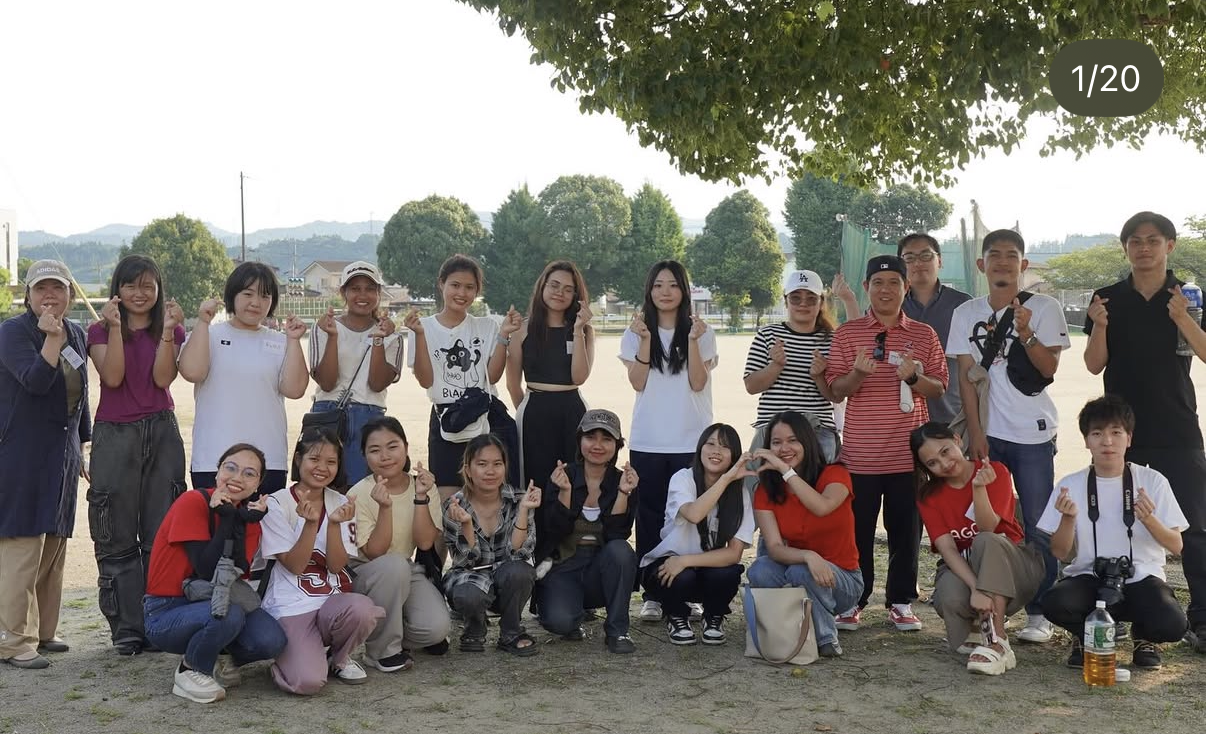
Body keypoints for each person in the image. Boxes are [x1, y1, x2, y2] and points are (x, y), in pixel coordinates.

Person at [1084, 211, 1206, 653]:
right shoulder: (1107, 297)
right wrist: (1100, 325)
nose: (1144, 248)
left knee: (1194, 526)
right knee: (1118, 520)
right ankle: (1117, 611)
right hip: (1119, 431)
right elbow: (1093, 364)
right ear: (1125, 248)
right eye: (1135, 241)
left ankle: (1201, 618)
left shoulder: (1189, 295)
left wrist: (1184, 319)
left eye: (1153, 240)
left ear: (1169, 246)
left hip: (1177, 425)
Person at [947, 229, 1071, 644]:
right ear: (981, 264)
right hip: (988, 435)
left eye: (1011, 255)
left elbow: (1048, 369)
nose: (1003, 262)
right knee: (987, 522)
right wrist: (976, 433)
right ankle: (987, 607)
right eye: (994, 255)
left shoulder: (1045, 307)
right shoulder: (966, 312)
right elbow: (966, 378)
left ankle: (1040, 611)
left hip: (1033, 434)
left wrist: (1026, 332)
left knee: (1038, 524)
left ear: (1024, 264)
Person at [823, 255, 947, 631]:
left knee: (906, 532)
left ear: (906, 287)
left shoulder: (923, 334)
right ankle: (853, 599)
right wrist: (858, 374)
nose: (886, 289)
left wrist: (913, 378)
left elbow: (940, 387)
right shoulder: (848, 334)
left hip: (909, 456)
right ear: (866, 288)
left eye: (894, 282)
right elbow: (835, 390)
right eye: (878, 282)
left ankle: (900, 601)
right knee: (857, 532)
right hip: (860, 455)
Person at [1038, 395, 1189, 670]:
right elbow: (1059, 552)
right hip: (1090, 577)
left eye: (1116, 433)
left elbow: (1177, 545)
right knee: (1054, 603)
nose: (1107, 442)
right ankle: (1086, 637)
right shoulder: (1071, 484)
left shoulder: (1152, 481)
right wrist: (1068, 519)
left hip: (1141, 578)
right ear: (1086, 441)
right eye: (1097, 434)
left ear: (1129, 438)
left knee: (1173, 624)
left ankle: (1144, 637)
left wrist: (1149, 520)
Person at [86, 254, 188, 655]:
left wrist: (169, 332)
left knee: (162, 534)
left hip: (162, 429)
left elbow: (162, 379)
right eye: (131, 285)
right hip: (114, 433)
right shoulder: (98, 330)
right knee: (115, 533)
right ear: (118, 289)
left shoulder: (171, 329)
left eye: (148, 285)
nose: (139, 293)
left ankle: (158, 622)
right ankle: (126, 628)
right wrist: (115, 328)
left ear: (159, 289)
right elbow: (112, 377)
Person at [142, 444, 287, 703]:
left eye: (249, 473)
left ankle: (218, 655)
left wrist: (238, 520)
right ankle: (191, 668)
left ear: (258, 484)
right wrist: (228, 520)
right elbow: (206, 569)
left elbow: (236, 571)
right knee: (228, 614)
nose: (237, 477)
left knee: (271, 640)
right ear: (217, 472)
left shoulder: (249, 518)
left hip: (213, 599)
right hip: (167, 609)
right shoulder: (192, 502)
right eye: (230, 468)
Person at [0, 260, 91, 669]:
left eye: (58, 288)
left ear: (70, 293)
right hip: (22, 453)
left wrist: (84, 444)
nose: (49, 295)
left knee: (54, 544)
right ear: (28, 296)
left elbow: (81, 392)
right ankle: (12, 641)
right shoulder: (12, 333)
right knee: (22, 545)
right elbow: (36, 382)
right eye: (41, 289)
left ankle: (43, 631)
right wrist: (51, 339)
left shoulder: (77, 333)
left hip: (63, 452)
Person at [620, 260, 718, 623]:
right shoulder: (636, 331)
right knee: (648, 518)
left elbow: (697, 382)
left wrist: (692, 340)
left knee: (689, 519)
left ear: (684, 291)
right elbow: (637, 382)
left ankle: (690, 592)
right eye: (658, 284)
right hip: (649, 440)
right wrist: (646, 340)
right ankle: (654, 594)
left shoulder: (701, 331)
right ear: (649, 290)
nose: (665, 291)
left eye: (673, 285)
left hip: (691, 440)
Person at [910, 422, 1045, 675]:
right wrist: (975, 587)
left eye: (945, 451)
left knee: (984, 540)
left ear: (957, 440)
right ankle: (976, 626)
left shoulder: (995, 471)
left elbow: (988, 528)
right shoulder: (929, 496)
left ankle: (997, 640)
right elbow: (947, 549)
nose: (944, 463)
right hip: (968, 564)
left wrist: (978, 488)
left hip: (1014, 566)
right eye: (932, 463)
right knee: (949, 597)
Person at [260, 428, 385, 694]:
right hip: (291, 604)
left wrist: (334, 525)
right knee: (308, 682)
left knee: (362, 609)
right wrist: (310, 524)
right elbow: (295, 566)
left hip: (329, 600)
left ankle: (338, 659)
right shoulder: (276, 503)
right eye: (314, 459)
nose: (322, 468)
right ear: (298, 459)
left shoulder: (341, 502)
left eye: (331, 461)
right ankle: (291, 661)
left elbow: (336, 567)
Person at [179, 261, 310, 495]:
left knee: (263, 519)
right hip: (213, 458)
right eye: (248, 294)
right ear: (232, 295)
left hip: (268, 460)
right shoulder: (209, 333)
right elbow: (192, 372)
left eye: (264, 296)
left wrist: (293, 340)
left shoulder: (281, 341)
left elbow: (295, 389)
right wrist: (203, 322)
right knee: (215, 519)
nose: (256, 302)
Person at [747, 411, 862, 658]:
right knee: (760, 569)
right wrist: (808, 555)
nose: (784, 448)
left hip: (843, 580)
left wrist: (786, 471)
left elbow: (821, 507)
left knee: (802, 571)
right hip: (800, 567)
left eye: (793, 440)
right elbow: (774, 548)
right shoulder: (766, 491)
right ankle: (783, 631)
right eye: (776, 442)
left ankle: (826, 638)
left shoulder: (835, 474)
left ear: (807, 442)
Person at [405, 254, 521, 498]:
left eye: (470, 287)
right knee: (448, 497)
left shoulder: (487, 326)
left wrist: (504, 336)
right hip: (447, 417)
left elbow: (492, 377)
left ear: (477, 291)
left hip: (483, 415)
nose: (462, 293)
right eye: (455, 285)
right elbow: (426, 381)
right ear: (441, 284)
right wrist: (420, 335)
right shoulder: (422, 326)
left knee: (489, 494)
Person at [346, 417, 451, 672]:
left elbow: (425, 542)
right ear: (364, 456)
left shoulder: (423, 485)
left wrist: (421, 497)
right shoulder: (358, 493)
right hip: (365, 572)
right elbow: (374, 552)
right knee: (393, 566)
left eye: (392, 446)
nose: (385, 456)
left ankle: (387, 632)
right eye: (374, 450)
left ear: (406, 447)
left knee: (436, 629)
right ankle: (381, 652)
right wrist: (385, 508)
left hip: (405, 568)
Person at [534, 409, 639, 654]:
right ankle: (572, 610)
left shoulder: (622, 480)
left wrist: (623, 493)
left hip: (601, 566)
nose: (597, 445)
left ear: (617, 445)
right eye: (591, 437)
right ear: (579, 440)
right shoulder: (563, 476)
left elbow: (616, 536)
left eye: (607, 439)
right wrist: (565, 492)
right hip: (564, 564)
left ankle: (618, 630)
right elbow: (554, 531)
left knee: (621, 551)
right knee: (559, 622)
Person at [639, 423, 755, 646]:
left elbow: (734, 554)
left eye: (725, 446)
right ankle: (676, 615)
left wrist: (686, 561)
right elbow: (694, 514)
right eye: (710, 444)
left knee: (727, 574)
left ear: (734, 456)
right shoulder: (683, 478)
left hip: (699, 569)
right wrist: (725, 479)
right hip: (669, 569)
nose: (716, 451)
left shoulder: (740, 493)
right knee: (681, 575)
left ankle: (713, 616)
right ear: (700, 448)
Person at [442, 434, 541, 655]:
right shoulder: (454, 505)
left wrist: (524, 510)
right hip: (469, 577)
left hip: (506, 575)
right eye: (482, 464)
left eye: (497, 464)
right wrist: (466, 524)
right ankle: (474, 630)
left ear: (505, 467)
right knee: (468, 593)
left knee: (521, 571)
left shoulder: (519, 498)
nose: (490, 471)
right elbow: (465, 561)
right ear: (468, 470)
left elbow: (519, 553)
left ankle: (511, 632)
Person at [310, 261, 405, 486]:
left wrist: (379, 339)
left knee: (362, 490)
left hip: (369, 416)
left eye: (370, 289)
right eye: (355, 288)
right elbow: (327, 382)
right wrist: (332, 337)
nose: (362, 295)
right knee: (322, 487)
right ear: (343, 292)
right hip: (328, 413)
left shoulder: (392, 336)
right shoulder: (323, 328)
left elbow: (376, 384)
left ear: (379, 293)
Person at [505, 260, 595, 491]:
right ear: (542, 286)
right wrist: (528, 410)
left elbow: (579, 377)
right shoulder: (522, 330)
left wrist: (577, 330)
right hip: (534, 411)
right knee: (534, 481)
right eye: (554, 285)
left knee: (573, 478)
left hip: (572, 409)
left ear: (576, 295)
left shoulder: (584, 330)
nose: (559, 293)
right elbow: (512, 384)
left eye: (568, 289)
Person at [743, 270, 841, 464]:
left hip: (816, 428)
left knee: (819, 483)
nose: (803, 304)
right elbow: (751, 386)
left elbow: (836, 396)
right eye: (796, 298)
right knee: (763, 481)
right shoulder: (767, 335)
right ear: (786, 301)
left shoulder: (833, 340)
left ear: (821, 302)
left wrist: (819, 377)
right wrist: (775, 366)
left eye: (811, 299)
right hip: (772, 427)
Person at [898, 233, 972, 426]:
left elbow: (974, 365)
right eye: (909, 258)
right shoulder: (891, 305)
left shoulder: (962, 304)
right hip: (900, 418)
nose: (918, 263)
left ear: (939, 261)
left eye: (925, 256)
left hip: (951, 414)